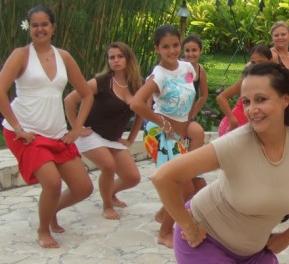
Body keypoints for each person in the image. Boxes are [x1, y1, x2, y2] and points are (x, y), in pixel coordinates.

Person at [151, 62, 289, 263]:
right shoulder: (235, 143)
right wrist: (188, 226)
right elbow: (163, 177)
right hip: (206, 242)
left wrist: (288, 236)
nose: (252, 109)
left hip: (255, 252)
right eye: (246, 102)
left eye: (261, 99)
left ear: (285, 99)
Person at [0, 6, 94, 248]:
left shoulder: (64, 56)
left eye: (44, 24)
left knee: (84, 188)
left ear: (53, 28)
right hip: (26, 134)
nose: (40, 29)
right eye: (35, 25)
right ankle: (43, 231)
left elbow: (86, 94)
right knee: (52, 183)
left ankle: (50, 209)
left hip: (57, 134)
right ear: (29, 28)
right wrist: (17, 127)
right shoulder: (21, 55)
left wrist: (76, 128)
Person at [129, 24, 198, 248]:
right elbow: (137, 103)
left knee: (181, 184)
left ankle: (163, 214)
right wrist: (164, 122)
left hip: (177, 135)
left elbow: (188, 100)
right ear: (157, 48)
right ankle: (164, 232)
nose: (172, 51)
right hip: (159, 135)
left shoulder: (189, 68)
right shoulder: (158, 75)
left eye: (176, 45)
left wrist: (184, 126)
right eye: (166, 47)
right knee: (185, 188)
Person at [64, 42, 143, 220]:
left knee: (132, 177)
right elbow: (70, 100)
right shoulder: (101, 82)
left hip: (112, 138)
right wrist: (77, 128)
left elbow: (140, 113)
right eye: (111, 57)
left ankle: (110, 192)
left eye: (120, 56)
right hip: (91, 134)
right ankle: (107, 205)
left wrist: (131, 139)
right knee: (108, 166)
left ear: (128, 58)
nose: (115, 60)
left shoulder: (137, 85)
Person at [217, 45, 273, 136]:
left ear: (270, 61)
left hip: (257, 124)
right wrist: (232, 119)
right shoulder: (247, 79)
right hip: (236, 127)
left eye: (261, 62)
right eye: (254, 63)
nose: (257, 66)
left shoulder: (274, 79)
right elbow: (221, 97)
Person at [182, 35, 209, 192]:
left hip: (187, 116)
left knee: (198, 133)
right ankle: (188, 171)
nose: (191, 54)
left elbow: (203, 95)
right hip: (173, 116)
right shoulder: (177, 68)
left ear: (200, 51)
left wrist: (192, 114)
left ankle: (192, 170)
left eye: (194, 50)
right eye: (187, 50)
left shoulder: (200, 70)